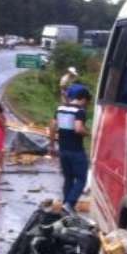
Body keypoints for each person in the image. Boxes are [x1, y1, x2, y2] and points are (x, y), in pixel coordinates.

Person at [49, 83, 90, 211]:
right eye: (87, 101)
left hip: (63, 150)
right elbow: (78, 129)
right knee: (82, 178)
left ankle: (66, 206)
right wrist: (88, 133)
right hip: (76, 151)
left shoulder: (60, 109)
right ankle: (69, 204)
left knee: (68, 178)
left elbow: (52, 127)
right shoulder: (79, 111)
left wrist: (51, 145)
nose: (86, 104)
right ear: (83, 98)